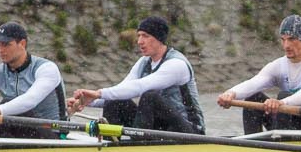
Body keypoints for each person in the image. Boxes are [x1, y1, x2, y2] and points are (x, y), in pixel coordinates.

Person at [68, 14, 205, 134]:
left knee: (149, 97)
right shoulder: (144, 62)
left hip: (189, 130)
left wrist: (98, 92)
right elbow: (123, 89)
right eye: (138, 36)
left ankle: (137, 146)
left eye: (145, 36)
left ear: (159, 38)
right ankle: (112, 143)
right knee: (115, 101)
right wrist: (88, 101)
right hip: (161, 128)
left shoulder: (176, 64)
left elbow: (140, 87)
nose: (139, 41)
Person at [218, 14, 301, 134]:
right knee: (254, 98)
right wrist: (231, 93)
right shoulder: (279, 65)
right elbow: (254, 83)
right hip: (290, 124)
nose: (286, 45)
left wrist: (283, 102)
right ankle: (254, 146)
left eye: (291, 39)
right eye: (283, 39)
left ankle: (281, 142)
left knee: (283, 96)